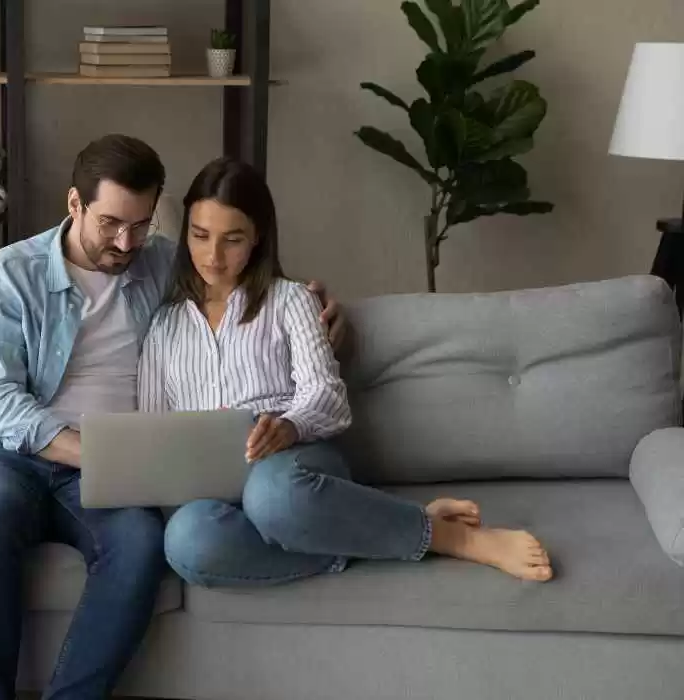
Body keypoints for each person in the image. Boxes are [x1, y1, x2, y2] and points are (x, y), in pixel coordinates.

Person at [0, 135, 346, 700]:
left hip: (118, 466)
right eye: (111, 223)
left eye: (141, 225)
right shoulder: (5, 276)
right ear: (74, 204)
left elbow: (243, 274)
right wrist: (88, 451)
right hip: (8, 453)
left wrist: (327, 312)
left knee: (141, 544)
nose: (125, 242)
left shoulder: (160, 261)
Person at [141, 156, 555, 589]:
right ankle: (385, 536)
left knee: (272, 496)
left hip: (292, 469)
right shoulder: (164, 327)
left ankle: (454, 539)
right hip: (212, 489)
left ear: (258, 238)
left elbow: (327, 395)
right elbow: (151, 430)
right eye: (200, 235)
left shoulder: (291, 301)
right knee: (187, 541)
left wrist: (289, 426)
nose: (213, 256)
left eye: (233, 239)